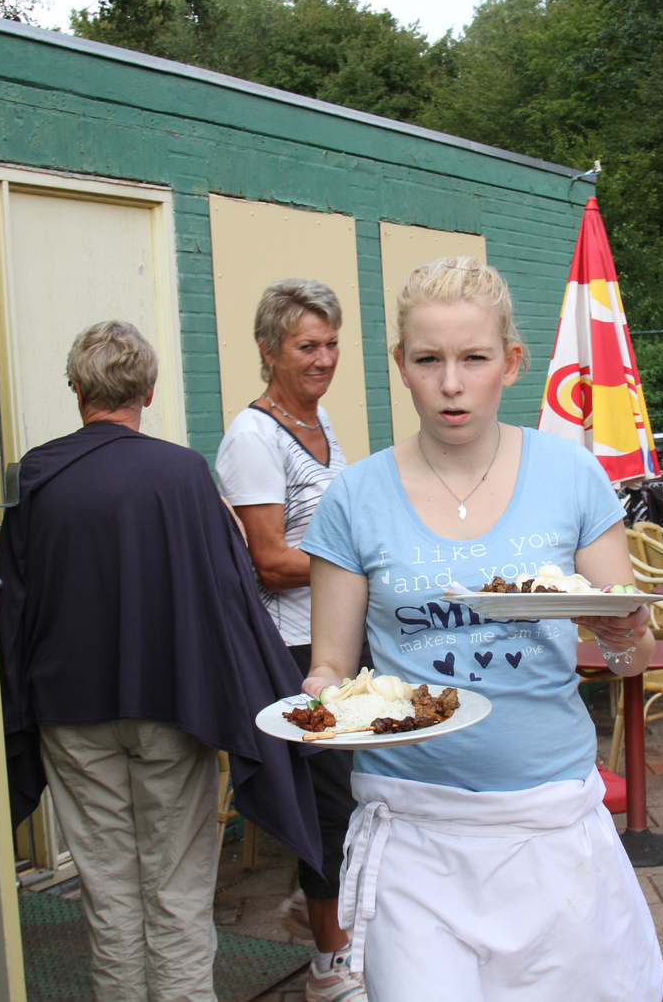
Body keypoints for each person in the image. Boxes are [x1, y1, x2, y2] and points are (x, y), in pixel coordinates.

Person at [298, 257, 663, 998]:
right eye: (427, 360)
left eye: (474, 358)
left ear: (512, 362)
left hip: (550, 819)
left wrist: (623, 630)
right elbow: (330, 666)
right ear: (400, 365)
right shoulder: (354, 497)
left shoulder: (572, 476)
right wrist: (319, 704)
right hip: (411, 827)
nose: (451, 383)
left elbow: (631, 660)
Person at [0, 320, 320, 1002]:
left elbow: (12, 602)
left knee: (108, 890)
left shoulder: (35, 476)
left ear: (77, 389)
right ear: (148, 390)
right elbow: (228, 592)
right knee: (177, 888)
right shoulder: (181, 473)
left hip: (68, 711)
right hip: (174, 705)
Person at [215, 279, 366, 1002]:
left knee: (354, 793)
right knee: (330, 801)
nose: (324, 359)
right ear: (268, 350)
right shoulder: (252, 438)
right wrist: (361, 563)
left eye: (331, 343)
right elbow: (271, 561)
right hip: (292, 649)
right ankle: (328, 963)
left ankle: (321, 908)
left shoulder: (320, 419)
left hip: (336, 633)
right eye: (307, 346)